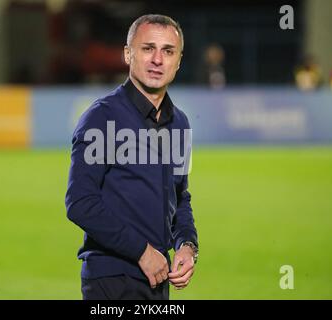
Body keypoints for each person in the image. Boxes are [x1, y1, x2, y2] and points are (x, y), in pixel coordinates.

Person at [65, 14, 199, 300]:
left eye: (168, 51)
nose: (157, 60)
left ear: (179, 60)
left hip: (157, 279)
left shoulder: (179, 123)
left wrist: (187, 245)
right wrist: (141, 251)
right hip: (112, 280)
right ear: (128, 54)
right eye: (147, 48)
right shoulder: (102, 117)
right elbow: (80, 202)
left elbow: (180, 197)